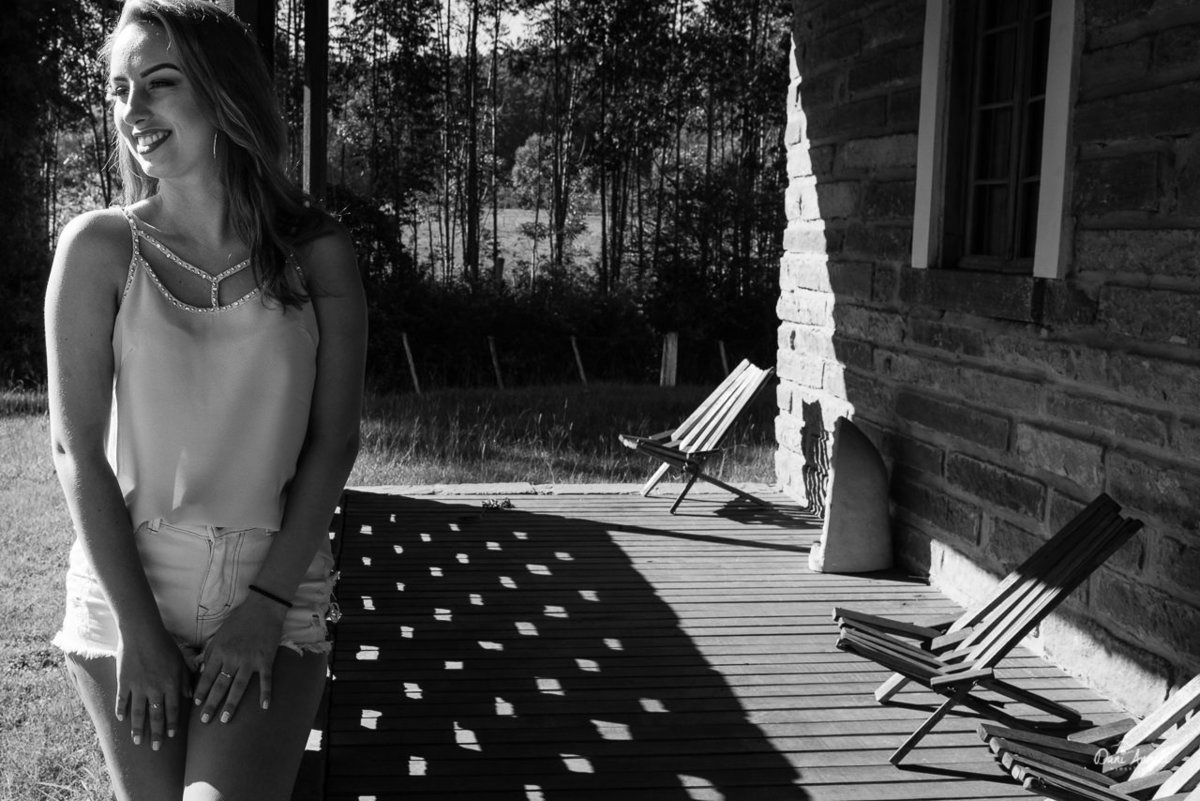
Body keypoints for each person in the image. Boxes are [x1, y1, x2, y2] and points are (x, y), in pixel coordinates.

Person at [44, 1, 366, 798]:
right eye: (120, 89)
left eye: (159, 83)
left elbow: (333, 442)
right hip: (129, 590)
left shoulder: (316, 253)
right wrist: (138, 629)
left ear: (226, 95)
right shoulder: (98, 248)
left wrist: (265, 605)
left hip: (273, 585)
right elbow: (76, 449)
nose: (133, 111)